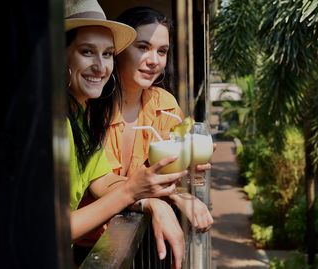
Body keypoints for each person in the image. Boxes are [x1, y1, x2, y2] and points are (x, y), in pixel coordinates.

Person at [0, 1, 187, 269]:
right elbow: (48, 231)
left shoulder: (83, 115)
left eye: (108, 54)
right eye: (87, 51)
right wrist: (130, 193)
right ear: (60, 55)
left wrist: (148, 200)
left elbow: (103, 180)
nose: (101, 67)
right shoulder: (42, 120)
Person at [73, 6, 214, 266]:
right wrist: (150, 200)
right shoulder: (88, 107)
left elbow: (171, 173)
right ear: (121, 50)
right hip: (92, 248)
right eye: (143, 47)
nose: (155, 61)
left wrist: (184, 178)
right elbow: (103, 183)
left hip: (144, 245)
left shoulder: (165, 106)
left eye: (162, 51)